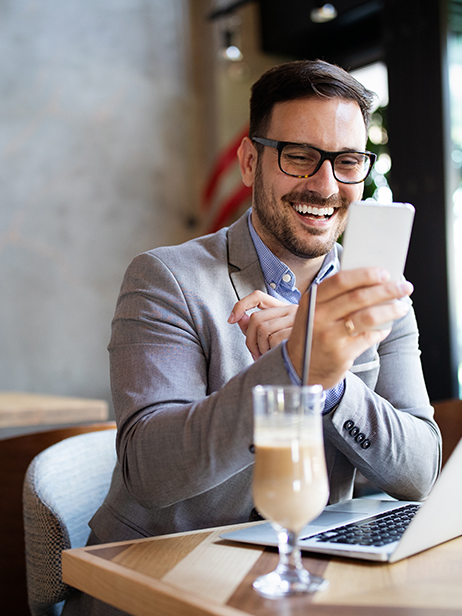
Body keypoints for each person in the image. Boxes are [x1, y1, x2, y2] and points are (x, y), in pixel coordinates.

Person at [63, 59, 441, 616]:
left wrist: (329, 383)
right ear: (249, 161)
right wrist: (293, 367)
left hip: (308, 577)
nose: (324, 184)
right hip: (161, 579)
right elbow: (151, 472)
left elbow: (420, 470)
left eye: (347, 162)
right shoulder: (166, 278)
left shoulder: (375, 294)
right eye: (298, 156)